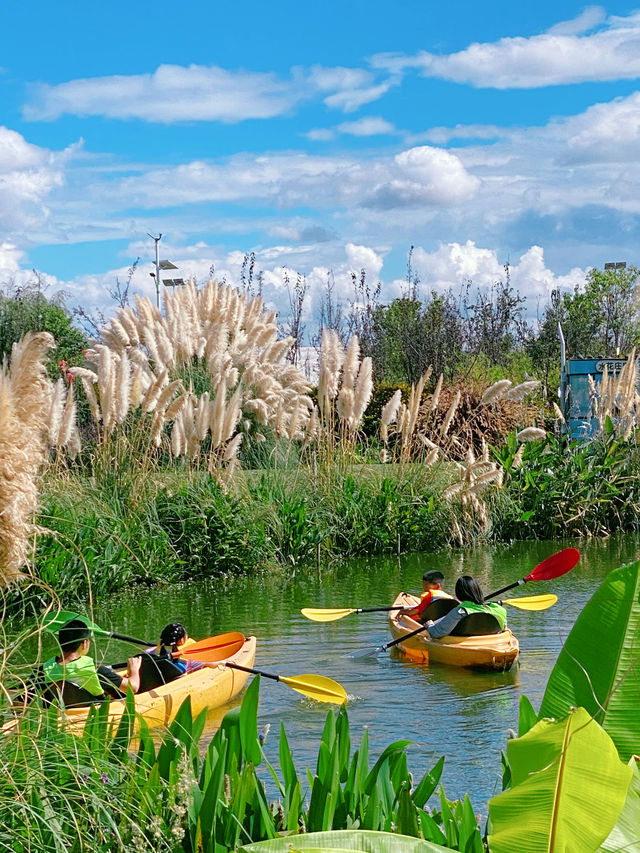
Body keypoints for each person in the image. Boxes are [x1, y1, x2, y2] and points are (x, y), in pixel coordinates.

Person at [39, 618, 141, 701]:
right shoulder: (96, 671)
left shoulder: (42, 670)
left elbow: (24, 699)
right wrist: (134, 670)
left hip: (57, 718)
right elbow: (134, 687)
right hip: (92, 719)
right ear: (84, 643)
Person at [423, 575, 507, 638]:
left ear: (459, 593)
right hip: (494, 642)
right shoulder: (498, 608)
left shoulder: (459, 612)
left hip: (465, 645)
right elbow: (504, 628)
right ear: (477, 590)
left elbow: (437, 633)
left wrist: (429, 626)